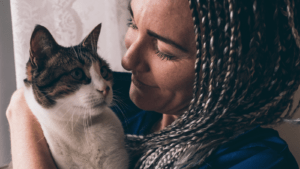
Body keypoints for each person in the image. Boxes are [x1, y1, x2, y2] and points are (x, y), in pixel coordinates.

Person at [5, 0, 300, 168]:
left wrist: (21, 114)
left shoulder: (260, 162)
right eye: (133, 24)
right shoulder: (115, 94)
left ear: (233, 72)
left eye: (164, 51)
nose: (127, 61)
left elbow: (24, 103)